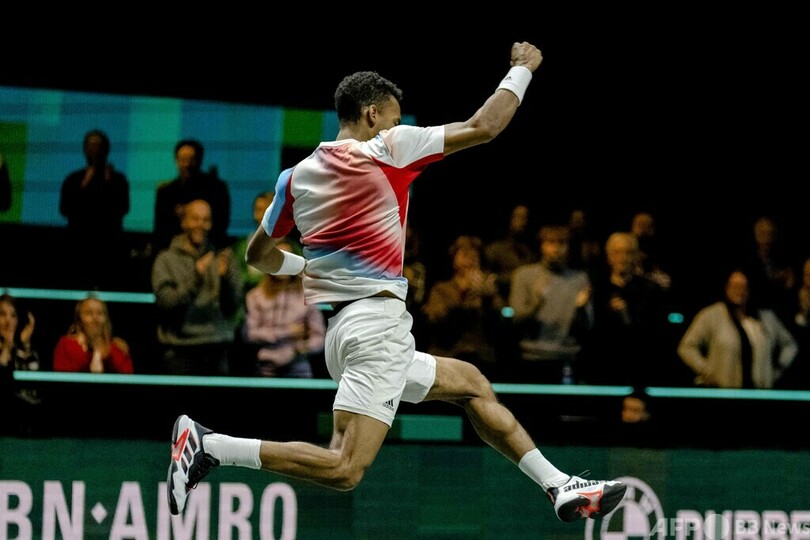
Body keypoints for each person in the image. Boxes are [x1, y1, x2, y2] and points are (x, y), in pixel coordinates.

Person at [167, 42, 626, 524]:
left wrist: (305, 268)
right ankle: (212, 445)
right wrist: (522, 70)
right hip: (375, 331)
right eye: (392, 117)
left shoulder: (294, 178)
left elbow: (258, 255)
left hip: (346, 335)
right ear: (372, 114)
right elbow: (484, 126)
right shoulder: (388, 148)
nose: (395, 125)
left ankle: (559, 486)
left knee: (471, 384)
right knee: (345, 467)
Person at [152, 199, 244, 376]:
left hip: (217, 346)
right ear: (183, 222)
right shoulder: (166, 259)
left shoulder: (223, 258)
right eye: (195, 219)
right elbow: (167, 303)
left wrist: (226, 280)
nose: (200, 225)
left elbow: (233, 307)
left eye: (206, 220)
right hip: (180, 348)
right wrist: (196, 278)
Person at [677, 268, 797, 389]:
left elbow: (790, 344)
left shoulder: (766, 318)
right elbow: (686, 347)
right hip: (723, 390)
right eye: (735, 286)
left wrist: (777, 369)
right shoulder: (712, 315)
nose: (740, 291)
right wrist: (707, 371)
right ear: (727, 288)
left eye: (744, 287)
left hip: (760, 392)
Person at [508, 224, 593, 384]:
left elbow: (588, 325)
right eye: (550, 243)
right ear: (542, 246)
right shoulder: (524, 275)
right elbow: (516, 319)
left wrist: (581, 309)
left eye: (561, 243)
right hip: (531, 356)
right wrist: (536, 303)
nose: (556, 249)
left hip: (566, 357)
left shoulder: (579, 279)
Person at [421, 235, 504, 378]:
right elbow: (436, 320)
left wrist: (489, 298)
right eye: (465, 255)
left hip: (480, 360)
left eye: (474, 256)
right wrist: (462, 295)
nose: (470, 260)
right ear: (454, 260)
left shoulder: (486, 290)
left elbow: (501, 322)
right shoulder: (441, 289)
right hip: (448, 357)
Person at [242, 238, 325, 378]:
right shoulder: (255, 296)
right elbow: (251, 334)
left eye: (288, 259)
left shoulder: (307, 295)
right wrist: (287, 332)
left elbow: (319, 338)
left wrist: (301, 349)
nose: (283, 264)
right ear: (269, 261)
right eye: (279, 258)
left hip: (299, 368)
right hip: (266, 368)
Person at [58, 129, 131, 289]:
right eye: (91, 146)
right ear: (85, 149)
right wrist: (85, 182)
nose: (95, 150)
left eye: (99, 146)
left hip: (110, 248)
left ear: (106, 149)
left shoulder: (118, 179)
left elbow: (124, 208)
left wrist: (109, 182)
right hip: (79, 247)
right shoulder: (74, 179)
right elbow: (65, 209)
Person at [153, 139, 231, 252]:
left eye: (191, 159)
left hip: (209, 250)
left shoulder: (216, 189)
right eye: (182, 159)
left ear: (199, 160)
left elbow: (221, 225)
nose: (187, 164)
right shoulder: (165, 192)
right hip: (173, 251)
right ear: (176, 161)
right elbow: (160, 230)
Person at [52, 296, 134, 373]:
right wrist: (82, 353)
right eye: (88, 313)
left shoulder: (117, 347)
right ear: (79, 319)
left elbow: (127, 375)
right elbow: (60, 374)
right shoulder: (66, 344)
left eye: (100, 313)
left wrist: (107, 352)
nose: (95, 318)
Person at [0, 293, 41, 434]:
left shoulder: (23, 350)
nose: (8, 320)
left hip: (26, 424)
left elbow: (33, 391)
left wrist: (25, 345)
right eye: (2, 314)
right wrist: (6, 348)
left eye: (13, 316)